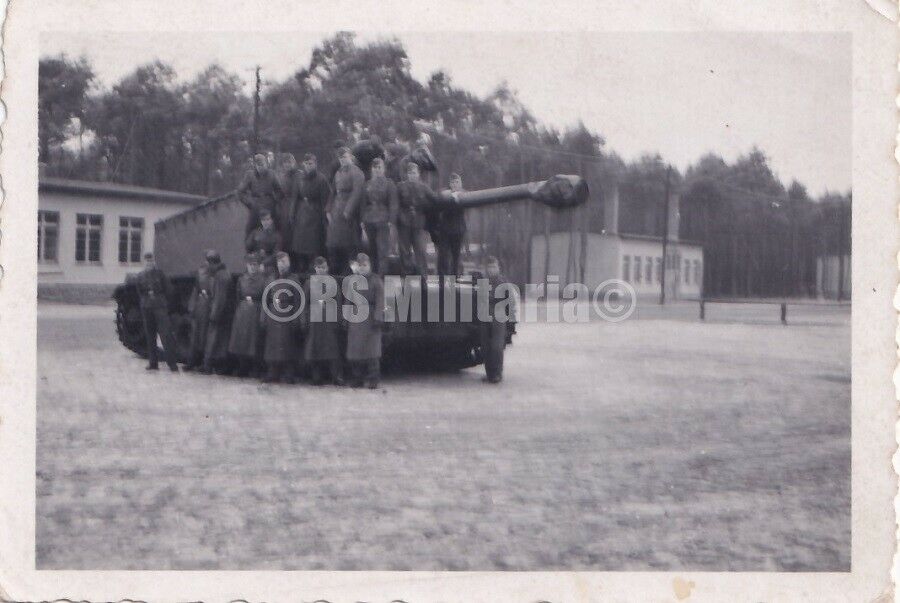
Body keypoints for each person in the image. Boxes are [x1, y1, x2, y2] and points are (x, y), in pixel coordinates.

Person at [396, 162, 459, 275]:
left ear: (418, 174)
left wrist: (450, 196)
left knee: (420, 251)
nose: (412, 175)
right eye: (410, 173)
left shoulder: (423, 187)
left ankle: (423, 278)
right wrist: (398, 218)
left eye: (414, 173)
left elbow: (435, 199)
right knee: (404, 252)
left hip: (419, 224)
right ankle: (406, 276)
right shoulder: (401, 187)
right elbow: (396, 204)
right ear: (407, 174)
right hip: (404, 222)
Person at [301, 256, 345, 386]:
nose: (321, 270)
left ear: (327, 268)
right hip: (314, 320)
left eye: (323, 267)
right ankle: (316, 377)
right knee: (314, 349)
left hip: (329, 320)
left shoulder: (333, 282)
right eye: (319, 267)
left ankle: (336, 376)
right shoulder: (309, 283)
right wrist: (303, 320)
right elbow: (304, 303)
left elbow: (338, 302)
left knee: (332, 349)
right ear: (315, 268)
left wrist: (338, 320)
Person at [260, 252, 302, 384]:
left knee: (286, 345)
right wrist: (263, 317)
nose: (281, 265)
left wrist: (296, 319)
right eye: (279, 262)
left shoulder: (294, 279)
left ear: (288, 263)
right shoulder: (271, 279)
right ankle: (272, 372)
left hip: (287, 315)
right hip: (273, 314)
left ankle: (288, 373)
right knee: (272, 345)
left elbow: (298, 302)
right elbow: (265, 300)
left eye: (284, 262)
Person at [344, 253, 384, 389]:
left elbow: (380, 300)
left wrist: (378, 317)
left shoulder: (376, 280)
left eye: (365, 265)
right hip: (356, 318)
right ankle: (357, 378)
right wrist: (346, 317)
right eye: (360, 265)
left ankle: (373, 379)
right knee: (355, 352)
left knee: (372, 352)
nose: (362, 268)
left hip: (370, 319)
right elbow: (348, 300)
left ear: (370, 265)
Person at [286, 152, 331, 274]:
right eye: (306, 164)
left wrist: (324, 217)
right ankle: (302, 269)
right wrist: (292, 213)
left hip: (315, 214)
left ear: (315, 164)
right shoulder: (299, 179)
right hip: (301, 214)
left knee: (314, 245)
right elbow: (295, 197)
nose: (308, 166)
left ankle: (313, 268)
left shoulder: (321, 179)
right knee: (300, 244)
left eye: (310, 163)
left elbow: (325, 200)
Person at [134, 252, 179, 372]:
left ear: (154, 262)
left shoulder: (160, 274)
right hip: (147, 307)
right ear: (144, 262)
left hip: (160, 306)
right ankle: (153, 362)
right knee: (150, 335)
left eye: (151, 261)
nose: (149, 263)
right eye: (147, 261)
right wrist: (145, 301)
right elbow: (139, 291)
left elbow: (168, 290)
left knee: (166, 335)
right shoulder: (140, 276)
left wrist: (163, 302)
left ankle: (172, 364)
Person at [326, 146, 365, 275]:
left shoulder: (357, 172)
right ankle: (337, 270)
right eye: (340, 158)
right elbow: (333, 192)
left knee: (350, 242)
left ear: (351, 157)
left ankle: (349, 271)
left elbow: (357, 192)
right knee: (334, 242)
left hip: (350, 213)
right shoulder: (338, 172)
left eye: (345, 157)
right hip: (337, 210)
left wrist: (348, 210)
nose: (342, 160)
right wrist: (328, 209)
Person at [228, 251, 267, 377]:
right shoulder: (242, 279)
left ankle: (255, 368)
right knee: (241, 340)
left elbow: (265, 297)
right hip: (243, 312)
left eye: (255, 265)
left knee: (254, 341)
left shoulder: (263, 280)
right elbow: (237, 295)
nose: (252, 267)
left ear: (258, 266)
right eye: (250, 265)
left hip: (256, 311)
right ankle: (242, 366)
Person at [362, 157, 399, 274]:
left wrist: (391, 220)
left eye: (379, 167)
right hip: (369, 219)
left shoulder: (389, 184)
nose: (377, 170)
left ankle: (382, 275)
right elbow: (363, 203)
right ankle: (373, 274)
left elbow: (393, 204)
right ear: (371, 169)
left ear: (384, 169)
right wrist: (362, 219)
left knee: (382, 249)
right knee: (371, 249)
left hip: (383, 219)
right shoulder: (367, 184)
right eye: (374, 167)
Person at [200, 250, 233, 375]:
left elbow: (220, 298)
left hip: (220, 314)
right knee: (220, 341)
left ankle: (208, 366)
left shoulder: (220, 276)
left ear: (211, 262)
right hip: (224, 313)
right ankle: (215, 365)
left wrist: (214, 315)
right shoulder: (223, 274)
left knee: (214, 340)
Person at [480, 256, 511, 384]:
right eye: (489, 267)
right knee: (485, 345)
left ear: (498, 268)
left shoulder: (502, 281)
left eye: (493, 267)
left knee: (496, 346)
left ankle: (497, 374)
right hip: (485, 315)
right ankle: (489, 373)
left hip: (498, 315)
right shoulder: (484, 280)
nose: (491, 269)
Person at [237, 153, 284, 235]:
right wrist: (249, 203)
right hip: (255, 205)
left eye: (262, 164)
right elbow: (240, 192)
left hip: (269, 205)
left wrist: (275, 201)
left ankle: (277, 242)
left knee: (277, 226)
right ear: (255, 166)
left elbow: (279, 190)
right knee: (250, 229)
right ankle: (251, 242)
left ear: (266, 164)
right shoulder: (250, 175)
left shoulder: (272, 174)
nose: (260, 167)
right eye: (258, 165)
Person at [435, 173, 468, 276]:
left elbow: (464, 206)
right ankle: (442, 279)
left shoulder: (465, 194)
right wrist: (452, 198)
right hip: (445, 230)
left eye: (457, 182)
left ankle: (455, 278)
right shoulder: (444, 194)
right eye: (452, 182)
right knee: (443, 256)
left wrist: (456, 198)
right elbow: (439, 202)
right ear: (450, 184)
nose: (455, 184)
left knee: (456, 257)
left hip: (458, 230)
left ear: (461, 183)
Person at [184, 262, 212, 371]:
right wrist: (192, 308)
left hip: (204, 307)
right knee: (196, 336)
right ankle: (193, 361)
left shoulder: (211, 278)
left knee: (202, 336)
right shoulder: (202, 280)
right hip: (200, 307)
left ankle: (200, 362)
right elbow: (195, 292)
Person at [276, 153, 300, 239]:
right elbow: (280, 193)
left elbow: (296, 194)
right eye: (285, 162)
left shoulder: (299, 175)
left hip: (298, 205)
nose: (287, 164)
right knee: (285, 230)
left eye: (289, 162)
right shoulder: (283, 177)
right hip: (285, 205)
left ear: (294, 163)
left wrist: (292, 211)